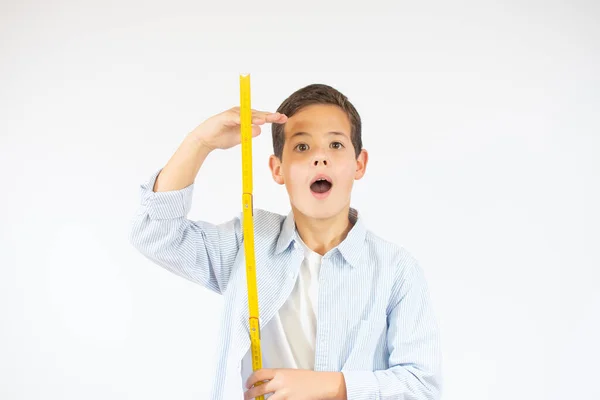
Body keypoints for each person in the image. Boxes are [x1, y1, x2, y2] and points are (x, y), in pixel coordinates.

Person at [129, 83, 442, 399]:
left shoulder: (397, 269)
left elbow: (422, 387)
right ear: (278, 169)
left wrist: (329, 385)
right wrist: (199, 142)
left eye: (335, 145)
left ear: (359, 163)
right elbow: (157, 235)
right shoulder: (248, 243)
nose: (320, 157)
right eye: (302, 147)